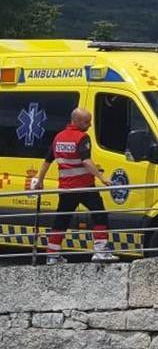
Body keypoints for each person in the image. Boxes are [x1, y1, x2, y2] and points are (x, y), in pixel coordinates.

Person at [30, 108, 118, 263]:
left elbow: (47, 161)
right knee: (100, 215)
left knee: (61, 220)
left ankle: (52, 255)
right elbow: (86, 161)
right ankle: (100, 251)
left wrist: (40, 181)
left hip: (66, 188)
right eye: (86, 122)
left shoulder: (59, 137)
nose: (89, 125)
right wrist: (102, 177)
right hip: (84, 187)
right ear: (75, 121)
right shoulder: (82, 137)